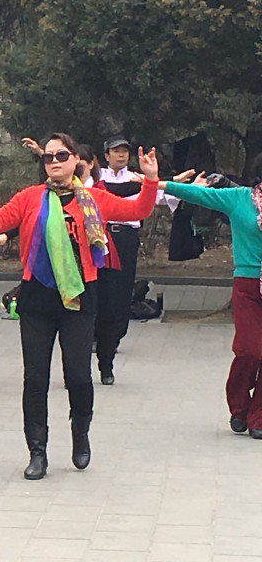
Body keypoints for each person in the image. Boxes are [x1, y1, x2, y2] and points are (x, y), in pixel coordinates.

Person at [0, 134, 160, 480]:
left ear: (76, 159)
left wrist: (150, 180)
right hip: (36, 297)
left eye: (61, 155)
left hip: (80, 295)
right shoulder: (31, 198)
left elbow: (138, 210)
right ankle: (37, 452)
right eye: (48, 157)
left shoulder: (94, 198)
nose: (54, 162)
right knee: (35, 378)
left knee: (78, 375)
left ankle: (80, 433)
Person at [161, 163, 262, 438]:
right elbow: (198, 196)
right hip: (248, 284)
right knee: (250, 350)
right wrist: (158, 184)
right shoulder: (240, 197)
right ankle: (239, 406)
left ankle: (258, 417)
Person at [93, 136, 178, 385]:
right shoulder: (96, 180)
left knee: (121, 292)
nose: (120, 156)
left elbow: (160, 196)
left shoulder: (136, 178)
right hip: (99, 237)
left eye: (124, 152)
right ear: (106, 155)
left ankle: (113, 338)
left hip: (126, 237)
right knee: (96, 289)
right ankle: (95, 336)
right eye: (115, 151)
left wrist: (180, 186)